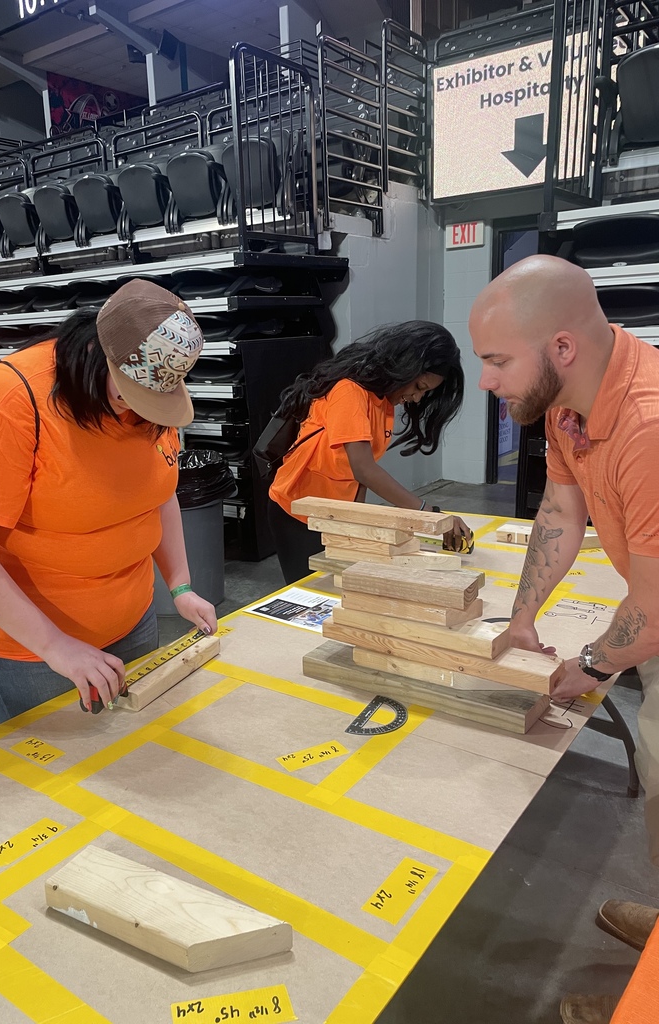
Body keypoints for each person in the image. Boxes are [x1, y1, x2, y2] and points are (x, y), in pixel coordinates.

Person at [469, 254, 659, 1024]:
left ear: (562, 348)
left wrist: (591, 663)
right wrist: (523, 616)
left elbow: (656, 602)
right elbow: (560, 509)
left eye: (495, 361)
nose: (485, 382)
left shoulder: (648, 424)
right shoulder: (567, 406)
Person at [0, 279, 217, 723]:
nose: (137, 413)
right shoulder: (7, 403)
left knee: (134, 749)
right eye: (128, 397)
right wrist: (55, 646)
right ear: (94, 356)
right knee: (62, 778)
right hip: (31, 649)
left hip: (131, 619)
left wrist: (179, 586)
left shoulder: (150, 398)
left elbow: (158, 497)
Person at [268, 321, 469, 583]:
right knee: (311, 597)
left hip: (333, 514)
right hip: (296, 511)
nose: (418, 399)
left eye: (425, 393)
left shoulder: (381, 401)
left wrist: (356, 522)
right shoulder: (349, 391)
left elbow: (356, 477)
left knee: (338, 589)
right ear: (405, 366)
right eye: (419, 387)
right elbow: (363, 469)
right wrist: (428, 514)